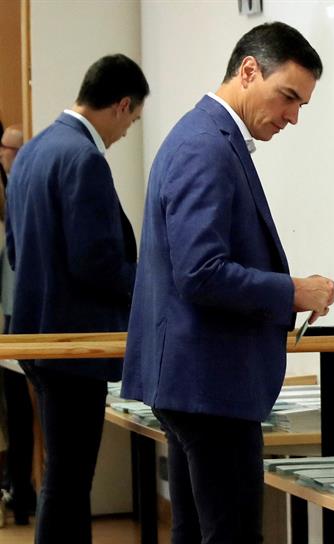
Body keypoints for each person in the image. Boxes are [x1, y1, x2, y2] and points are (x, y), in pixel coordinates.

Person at [122, 21, 334, 544]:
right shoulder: (208, 145)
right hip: (209, 385)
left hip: (196, 382)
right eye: (288, 97)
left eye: (302, 105)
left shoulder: (203, 136)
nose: (292, 116)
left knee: (198, 531)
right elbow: (200, 272)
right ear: (248, 71)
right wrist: (294, 291)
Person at [5, 54, 148, 543]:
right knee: (69, 482)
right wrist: (149, 288)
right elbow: (97, 262)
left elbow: (14, 251)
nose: (126, 131)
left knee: (60, 478)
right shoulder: (84, 157)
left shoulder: (32, 152)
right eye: (131, 120)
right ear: (122, 104)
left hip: (35, 340)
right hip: (75, 343)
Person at [0, 123, 36, 526]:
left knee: (22, 412)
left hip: (16, 311)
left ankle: (21, 490)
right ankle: (16, 488)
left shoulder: (19, 188)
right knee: (11, 412)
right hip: (9, 312)